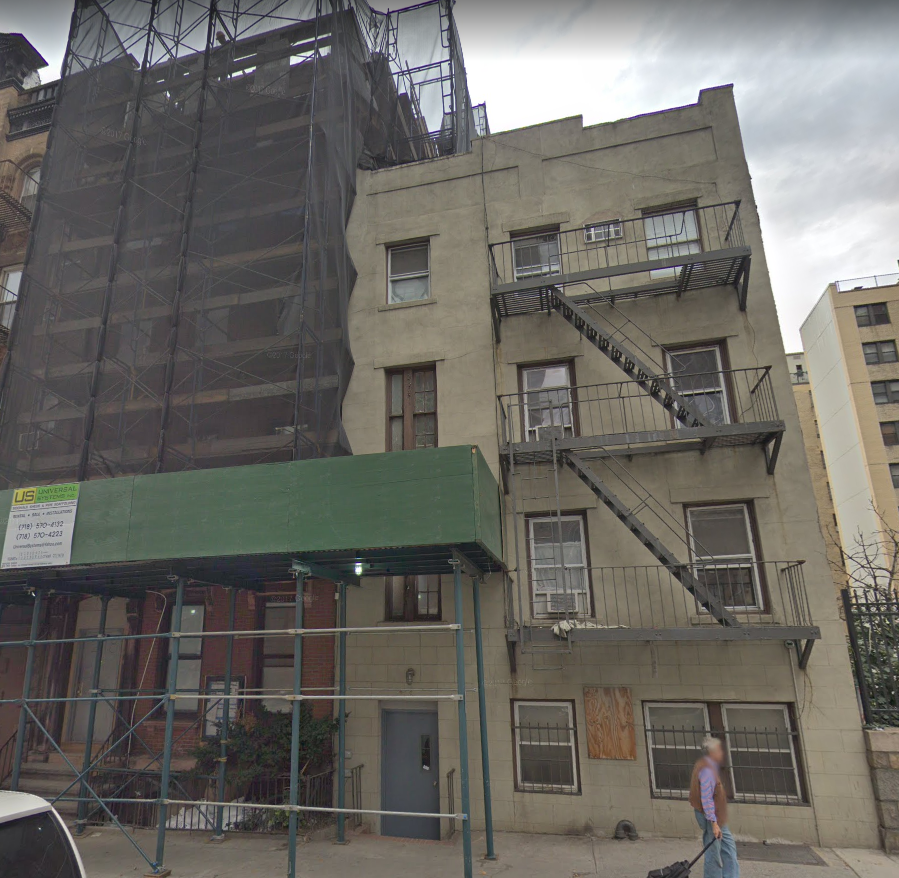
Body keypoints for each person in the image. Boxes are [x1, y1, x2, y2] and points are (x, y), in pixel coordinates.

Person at [688, 735, 740, 878]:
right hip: (712, 817)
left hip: (714, 817)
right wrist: (714, 823)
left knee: (727, 847)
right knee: (714, 851)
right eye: (719, 750)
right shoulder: (707, 771)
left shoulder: (706, 765)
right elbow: (706, 799)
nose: (722, 753)